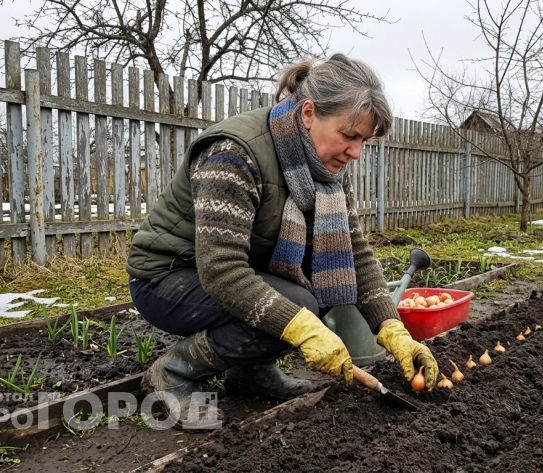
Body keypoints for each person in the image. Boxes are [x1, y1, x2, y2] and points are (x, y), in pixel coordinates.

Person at [127, 54, 439, 430]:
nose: (356, 152)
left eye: (363, 140)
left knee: (322, 281)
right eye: (349, 135)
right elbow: (221, 269)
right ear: (308, 113)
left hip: (231, 274)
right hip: (168, 277)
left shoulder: (327, 170)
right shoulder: (234, 154)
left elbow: (354, 253)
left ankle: (249, 369)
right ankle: (174, 371)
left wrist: (392, 329)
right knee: (301, 307)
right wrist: (301, 326)